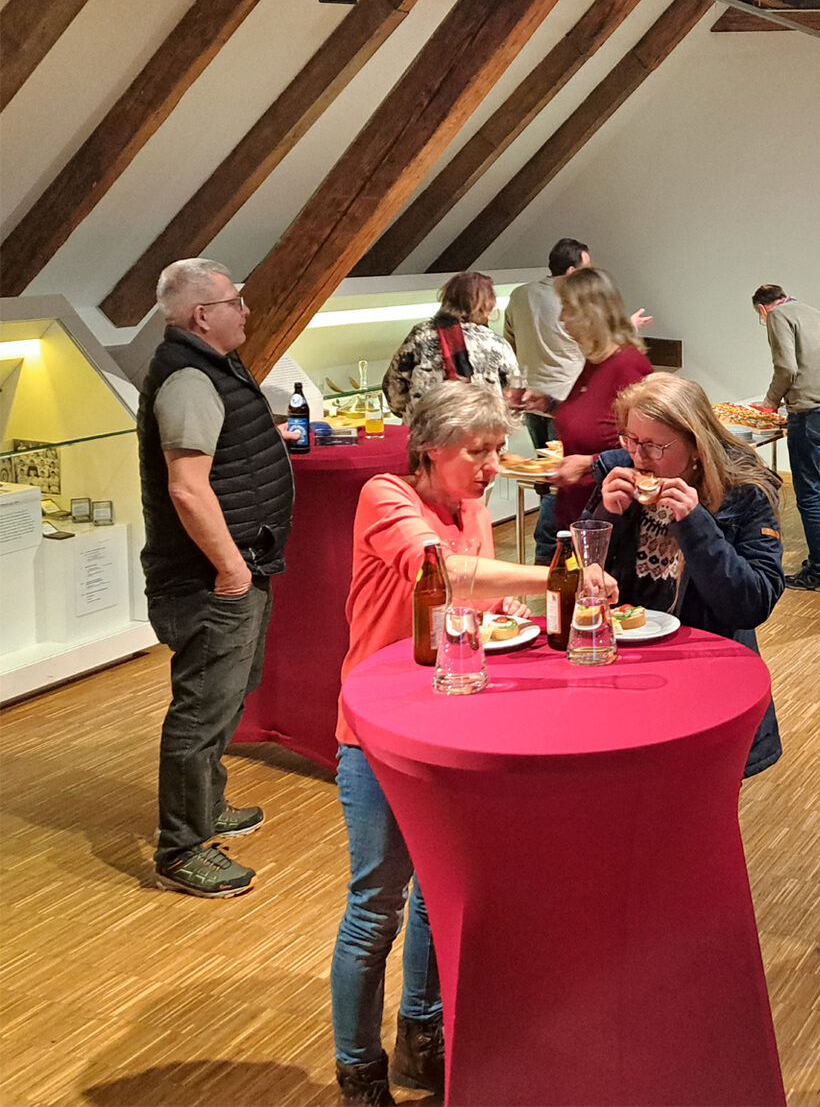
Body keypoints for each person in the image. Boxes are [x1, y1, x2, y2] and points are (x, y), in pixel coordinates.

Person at [331, 383, 612, 1105]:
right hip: (378, 732)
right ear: (430, 449)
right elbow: (445, 574)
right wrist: (559, 576)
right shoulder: (385, 497)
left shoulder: (475, 508)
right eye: (477, 452)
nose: (492, 467)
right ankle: (358, 1069)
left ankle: (422, 1036)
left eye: (497, 449)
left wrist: (514, 605)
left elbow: (479, 602)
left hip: (452, 722)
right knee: (377, 904)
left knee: (439, 893)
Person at [137, 258, 294, 899]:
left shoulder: (212, 367)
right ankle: (181, 850)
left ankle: (204, 805)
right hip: (209, 579)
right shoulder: (189, 379)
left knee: (230, 693)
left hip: (239, 567)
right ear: (202, 315)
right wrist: (230, 567)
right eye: (235, 301)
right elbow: (187, 487)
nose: (245, 310)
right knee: (202, 710)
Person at [585, 375, 785, 777]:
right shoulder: (616, 473)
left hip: (705, 678)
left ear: (696, 446)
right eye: (631, 440)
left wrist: (695, 525)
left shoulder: (745, 492)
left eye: (655, 446)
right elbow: (578, 574)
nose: (639, 457)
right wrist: (604, 518)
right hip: (625, 675)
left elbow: (752, 603)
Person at [754, 284, 820, 592]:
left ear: (762, 309)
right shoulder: (815, 313)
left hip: (809, 412)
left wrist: (770, 402)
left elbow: (786, 367)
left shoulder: (777, 316)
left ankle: (819, 572)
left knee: (809, 493)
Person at [540, 267, 653, 531]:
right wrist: (545, 403)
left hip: (612, 522)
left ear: (590, 314)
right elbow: (590, 418)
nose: (562, 318)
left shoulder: (628, 367)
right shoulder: (595, 363)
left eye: (568, 309)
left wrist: (587, 464)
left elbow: (652, 451)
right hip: (578, 514)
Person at [502, 237, 591, 563]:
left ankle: (551, 552)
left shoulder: (520, 295)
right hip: (566, 401)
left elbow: (509, 341)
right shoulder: (576, 300)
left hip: (531, 399)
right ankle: (549, 552)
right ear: (571, 271)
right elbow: (593, 346)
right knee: (561, 478)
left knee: (545, 476)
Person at [381, 271, 519, 423]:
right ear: (488, 306)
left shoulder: (421, 336)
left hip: (426, 428)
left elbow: (393, 386)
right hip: (482, 431)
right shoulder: (496, 344)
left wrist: (411, 413)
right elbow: (515, 396)